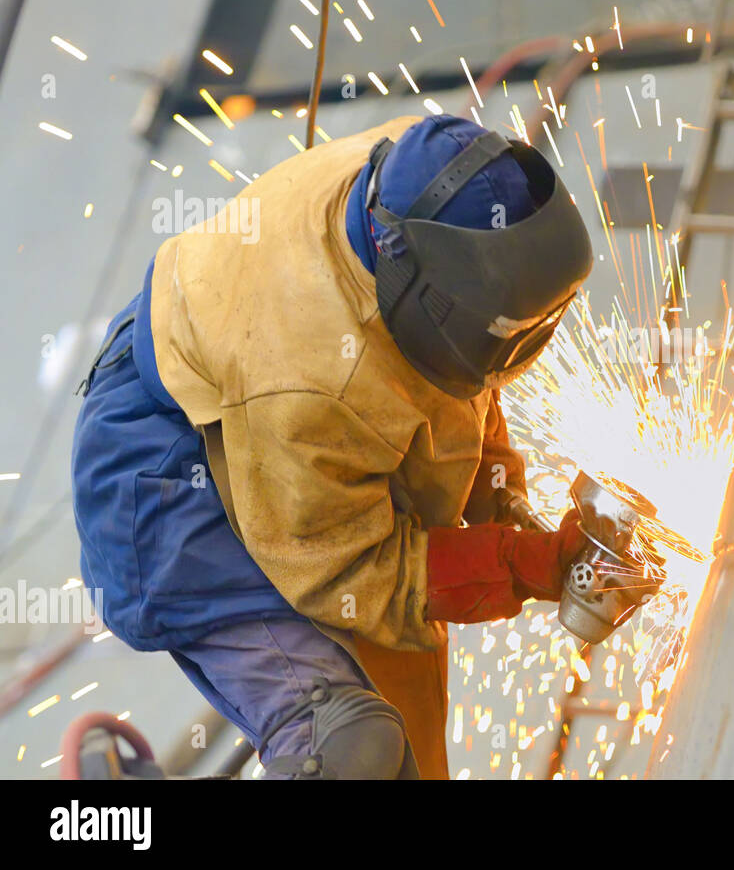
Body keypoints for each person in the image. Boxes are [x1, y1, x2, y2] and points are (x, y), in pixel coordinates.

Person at [71, 114, 594, 778]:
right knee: (351, 745)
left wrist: (507, 508)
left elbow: (466, 386)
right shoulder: (313, 382)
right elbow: (361, 574)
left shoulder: (439, 180)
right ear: (424, 296)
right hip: (166, 476)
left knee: (413, 764)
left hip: (282, 437)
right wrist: (518, 563)